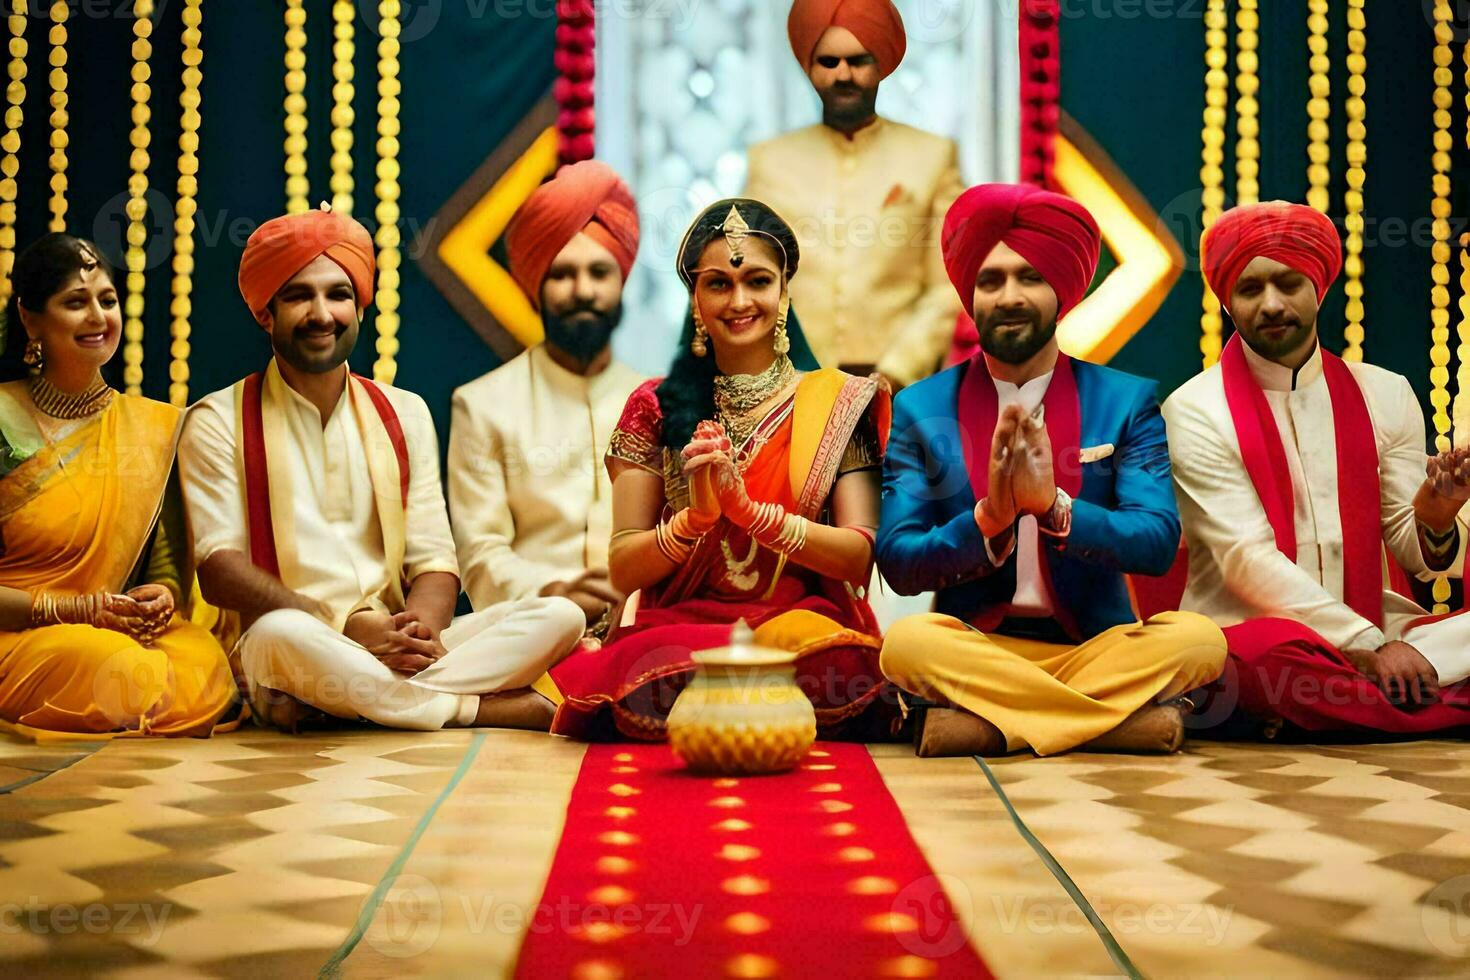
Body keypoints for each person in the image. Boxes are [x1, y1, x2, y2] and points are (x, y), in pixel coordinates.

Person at [178, 207, 585, 733]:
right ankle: (481, 708)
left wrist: (421, 634)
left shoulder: (404, 411)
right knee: (283, 633)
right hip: (292, 644)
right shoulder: (216, 420)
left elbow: (435, 560)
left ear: (360, 306)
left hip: (392, 641)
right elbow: (218, 569)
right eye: (300, 295)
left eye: (338, 295)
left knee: (561, 616)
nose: (322, 313)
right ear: (266, 313)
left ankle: (357, 705)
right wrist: (348, 629)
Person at [877, 183, 1227, 758]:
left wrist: (1056, 508)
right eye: (990, 280)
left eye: (1030, 278)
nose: (1009, 296)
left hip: (1096, 648)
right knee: (907, 645)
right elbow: (899, 561)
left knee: (1199, 640)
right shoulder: (922, 408)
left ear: (1062, 290)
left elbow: (1157, 542)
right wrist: (989, 518)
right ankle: (1114, 724)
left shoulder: (1125, 401)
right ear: (970, 294)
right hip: (977, 646)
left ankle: (989, 727)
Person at [546, 198, 892, 740]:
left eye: (757, 281)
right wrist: (695, 520)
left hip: (800, 627)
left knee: (837, 663)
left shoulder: (838, 403)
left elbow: (859, 556)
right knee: (654, 663)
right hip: (682, 628)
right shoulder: (654, 406)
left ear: (784, 291)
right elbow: (624, 568)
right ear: (695, 299)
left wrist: (752, 514)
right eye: (718, 284)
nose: (739, 301)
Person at [1165, 200, 1470, 736]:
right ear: (1227, 302)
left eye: (1288, 283)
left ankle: (1372, 699)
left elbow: (1422, 560)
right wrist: (1368, 646)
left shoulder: (1386, 393)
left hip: (1381, 623)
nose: (1272, 304)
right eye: (1250, 289)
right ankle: (1419, 695)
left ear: (1318, 288)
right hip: (1253, 632)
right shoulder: (1193, 410)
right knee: (1266, 666)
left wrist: (1439, 513)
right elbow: (1245, 560)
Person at [0, 233, 233, 739]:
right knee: (112, 664)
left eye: (107, 301)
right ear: (30, 318)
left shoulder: (153, 427)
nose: (98, 318)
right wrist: (70, 608)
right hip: (18, 631)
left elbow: (167, 558)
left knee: (201, 664)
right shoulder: (1, 416)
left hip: (117, 628)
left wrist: (161, 596)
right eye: (75, 303)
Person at [448, 161, 645, 638]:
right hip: (527, 622)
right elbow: (481, 552)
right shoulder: (482, 404)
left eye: (599, 272)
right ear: (536, 287)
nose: (583, 291)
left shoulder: (656, 401)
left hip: (639, 621)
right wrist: (555, 592)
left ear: (621, 282)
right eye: (562, 274)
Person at [743, 0, 963, 388]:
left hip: (901, 390)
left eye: (858, 61)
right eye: (828, 62)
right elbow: (748, 276)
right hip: (789, 386)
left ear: (880, 64)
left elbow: (946, 288)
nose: (843, 75)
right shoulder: (770, 162)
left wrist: (896, 374)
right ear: (809, 68)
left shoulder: (932, 156)